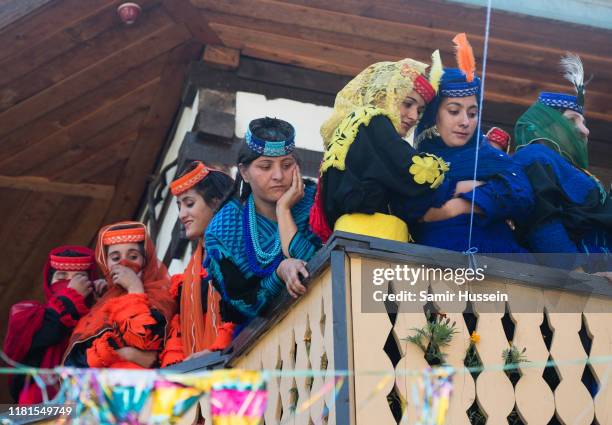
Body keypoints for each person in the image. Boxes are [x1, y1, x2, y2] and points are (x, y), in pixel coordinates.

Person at [393, 33, 534, 256]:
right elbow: (410, 206)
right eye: (454, 111)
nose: (465, 122)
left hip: (504, 261)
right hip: (437, 265)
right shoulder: (414, 162)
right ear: (433, 116)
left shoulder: (491, 157)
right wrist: (468, 187)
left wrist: (454, 207)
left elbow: (521, 195)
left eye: (472, 113)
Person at [310, 54, 452, 243]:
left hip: (348, 237)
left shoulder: (353, 124)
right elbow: (416, 172)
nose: (413, 117)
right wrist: (450, 169)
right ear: (387, 95)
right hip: (371, 238)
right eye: (407, 104)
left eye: (419, 111)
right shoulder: (374, 120)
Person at [205, 117, 321, 329]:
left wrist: (284, 210)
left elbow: (322, 268)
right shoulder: (223, 228)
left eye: (287, 165)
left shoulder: (315, 202)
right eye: (265, 166)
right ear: (243, 172)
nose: (278, 175)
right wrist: (279, 273)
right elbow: (243, 304)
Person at [512, 53, 611, 276]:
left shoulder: (575, 170)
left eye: (584, 122)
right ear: (547, 125)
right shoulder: (533, 157)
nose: (585, 131)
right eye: (572, 120)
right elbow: (541, 218)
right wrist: (576, 274)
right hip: (573, 291)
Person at [63, 222, 175, 368]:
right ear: (105, 264)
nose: (124, 263)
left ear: (146, 261)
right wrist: (126, 354)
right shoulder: (98, 305)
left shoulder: (160, 296)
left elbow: (144, 340)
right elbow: (77, 362)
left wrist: (135, 289)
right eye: (115, 258)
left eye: (133, 256)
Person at [160, 161, 235, 367]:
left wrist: (215, 350)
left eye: (189, 203)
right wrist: (174, 364)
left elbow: (241, 311)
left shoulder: (237, 253)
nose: (182, 214)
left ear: (216, 203)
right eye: (179, 206)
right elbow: (180, 326)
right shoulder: (189, 273)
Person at [3, 246, 98, 404]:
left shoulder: (97, 319)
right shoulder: (28, 315)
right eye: (61, 278)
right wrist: (70, 298)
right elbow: (48, 331)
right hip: (39, 407)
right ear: (49, 282)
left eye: (79, 278)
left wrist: (105, 299)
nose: (69, 285)